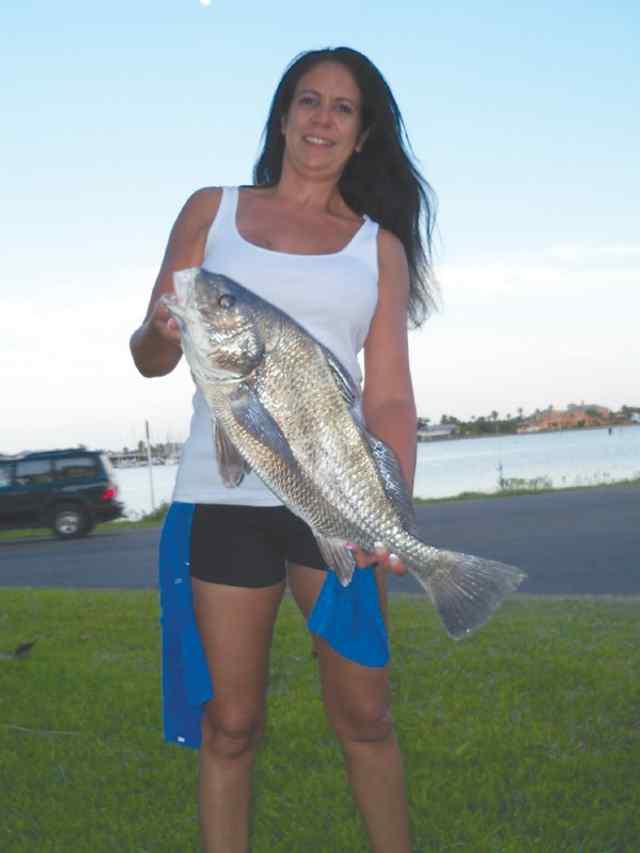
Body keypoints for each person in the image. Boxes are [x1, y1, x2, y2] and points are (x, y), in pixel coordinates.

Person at [130, 46, 437, 853]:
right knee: (230, 724)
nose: (322, 120)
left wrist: (390, 506)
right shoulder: (212, 209)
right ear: (282, 112)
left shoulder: (380, 249)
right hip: (222, 495)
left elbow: (391, 396)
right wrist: (160, 333)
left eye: (343, 108)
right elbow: (149, 353)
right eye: (309, 100)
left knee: (365, 714)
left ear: (364, 134)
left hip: (334, 502)